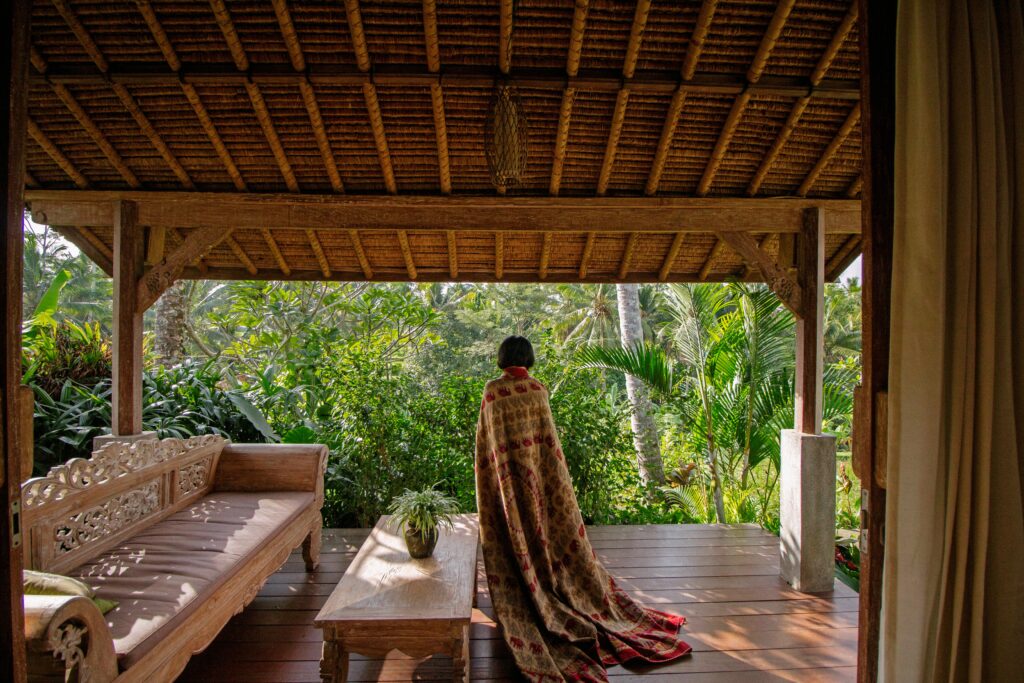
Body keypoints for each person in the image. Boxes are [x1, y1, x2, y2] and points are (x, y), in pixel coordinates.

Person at [475, 335, 691, 681]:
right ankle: (548, 580)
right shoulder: (538, 389)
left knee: (515, 535)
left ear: (502, 358)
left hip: (508, 485)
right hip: (541, 485)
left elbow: (487, 447)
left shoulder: (493, 391)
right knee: (543, 535)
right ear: (528, 358)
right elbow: (548, 449)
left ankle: (525, 577)